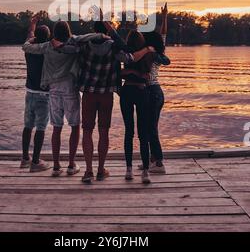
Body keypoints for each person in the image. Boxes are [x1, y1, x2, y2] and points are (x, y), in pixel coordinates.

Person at [59, 20, 164, 184]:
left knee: (87, 131)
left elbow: (68, 43)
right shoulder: (114, 46)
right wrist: (145, 50)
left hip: (89, 93)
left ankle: (88, 171)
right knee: (104, 131)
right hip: (106, 93)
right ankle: (101, 170)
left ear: (93, 30)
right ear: (107, 32)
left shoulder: (84, 45)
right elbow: (129, 58)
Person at [22, 17, 106, 177]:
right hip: (69, 88)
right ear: (68, 32)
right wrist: (103, 36)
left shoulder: (47, 46)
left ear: (54, 33)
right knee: (74, 126)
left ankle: (55, 166)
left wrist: (32, 35)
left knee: (56, 128)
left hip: (53, 90)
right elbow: (89, 36)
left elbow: (25, 47)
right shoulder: (73, 43)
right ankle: (71, 164)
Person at [120, 30, 170, 184]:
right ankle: (148, 168)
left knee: (135, 131)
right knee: (144, 132)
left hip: (137, 91)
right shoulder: (149, 53)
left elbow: (118, 72)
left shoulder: (128, 53)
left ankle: (137, 167)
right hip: (144, 91)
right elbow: (164, 48)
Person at [20, 21, 51, 173]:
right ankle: (36, 162)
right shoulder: (48, 51)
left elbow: (29, 36)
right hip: (44, 95)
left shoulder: (29, 50)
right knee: (40, 127)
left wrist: (32, 25)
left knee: (27, 126)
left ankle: (25, 158)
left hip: (30, 92)